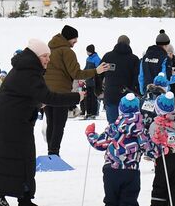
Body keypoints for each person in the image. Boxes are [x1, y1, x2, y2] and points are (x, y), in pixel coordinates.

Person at [0, 38, 82, 206]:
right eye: (45, 56)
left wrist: (36, 103)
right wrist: (76, 97)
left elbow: (26, 96)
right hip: (11, 124)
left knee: (17, 158)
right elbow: (48, 97)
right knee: (16, 158)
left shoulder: (25, 69)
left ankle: (20, 197)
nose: (48, 60)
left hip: (11, 122)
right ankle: (9, 195)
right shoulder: (28, 72)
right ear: (35, 56)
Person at [86, 93, 158, 206]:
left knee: (111, 200)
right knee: (128, 203)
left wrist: (90, 134)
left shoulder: (114, 128)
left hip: (111, 170)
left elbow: (99, 143)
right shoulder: (140, 131)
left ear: (120, 109)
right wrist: (159, 146)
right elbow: (150, 151)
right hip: (130, 172)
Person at [43, 25, 104, 157]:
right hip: (61, 93)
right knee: (59, 125)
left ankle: (50, 152)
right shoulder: (67, 51)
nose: (75, 44)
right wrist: (95, 71)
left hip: (46, 92)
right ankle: (54, 154)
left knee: (51, 123)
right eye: (74, 40)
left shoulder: (49, 49)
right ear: (69, 38)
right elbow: (76, 73)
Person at [98, 36, 140, 125]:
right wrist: (135, 91)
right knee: (128, 126)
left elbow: (98, 73)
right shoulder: (134, 59)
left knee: (112, 126)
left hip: (110, 96)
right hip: (128, 97)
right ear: (129, 44)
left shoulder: (108, 56)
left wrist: (98, 90)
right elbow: (137, 78)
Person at [81, 45, 102, 120]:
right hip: (88, 81)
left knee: (93, 98)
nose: (86, 52)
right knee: (88, 98)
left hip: (94, 82)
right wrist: (81, 74)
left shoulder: (97, 59)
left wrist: (96, 78)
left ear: (90, 51)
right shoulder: (88, 59)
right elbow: (86, 68)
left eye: (87, 50)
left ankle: (93, 113)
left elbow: (99, 70)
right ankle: (88, 112)